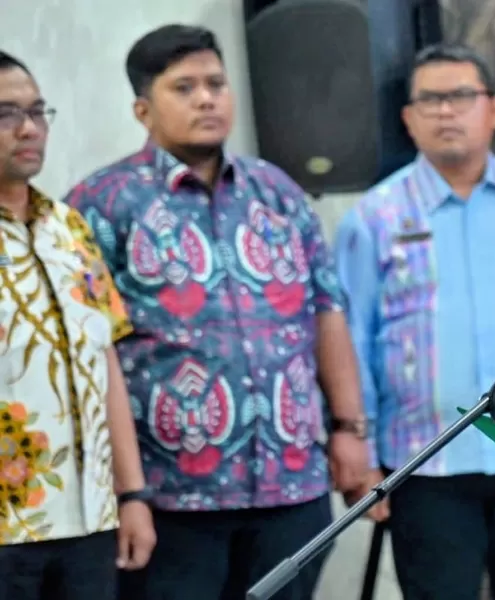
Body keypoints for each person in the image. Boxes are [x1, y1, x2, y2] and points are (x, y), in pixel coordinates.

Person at [62, 25, 370, 600]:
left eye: (216, 84)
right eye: (184, 88)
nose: (206, 99)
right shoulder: (99, 204)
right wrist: (127, 494)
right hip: (171, 499)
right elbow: (89, 352)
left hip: (291, 486)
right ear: (142, 109)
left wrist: (349, 430)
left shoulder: (277, 193)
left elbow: (326, 310)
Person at [335, 42, 495, 600]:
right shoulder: (374, 218)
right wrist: (359, 443)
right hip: (424, 462)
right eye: (429, 100)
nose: (445, 111)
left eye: (460, 96)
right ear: (408, 118)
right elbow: (351, 338)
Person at [0, 50, 156, 598]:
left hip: (90, 523)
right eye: (6, 114)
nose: (28, 128)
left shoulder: (70, 228)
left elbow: (103, 360)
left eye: (37, 111)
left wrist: (132, 494)